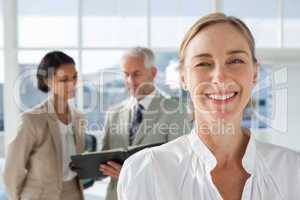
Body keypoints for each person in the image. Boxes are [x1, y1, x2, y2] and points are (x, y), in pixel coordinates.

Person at [117, 13, 300, 200]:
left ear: (254, 73)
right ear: (183, 78)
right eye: (203, 63)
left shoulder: (293, 172)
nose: (220, 77)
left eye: (235, 60)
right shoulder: (146, 172)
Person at [99, 47, 192, 200]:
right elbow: (104, 157)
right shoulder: (113, 113)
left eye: (136, 74)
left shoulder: (175, 110)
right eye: (126, 74)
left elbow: (180, 166)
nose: (130, 81)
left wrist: (130, 172)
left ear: (153, 73)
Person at [4, 51, 86, 200]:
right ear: (48, 81)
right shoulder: (32, 119)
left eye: (74, 77)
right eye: (64, 79)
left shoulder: (79, 117)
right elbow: (12, 169)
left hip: (73, 193)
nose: (72, 84)